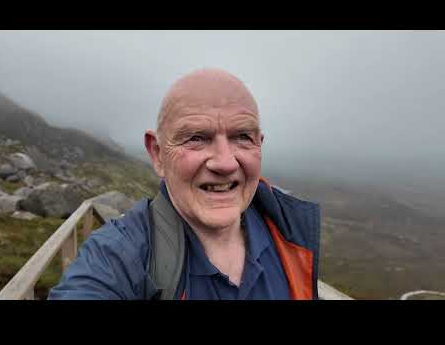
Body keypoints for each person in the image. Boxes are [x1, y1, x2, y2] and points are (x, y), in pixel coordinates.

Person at [48, 68, 321, 300]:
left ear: (259, 145)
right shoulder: (118, 256)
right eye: (196, 137)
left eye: (242, 136)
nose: (225, 163)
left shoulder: (288, 234)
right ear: (157, 154)